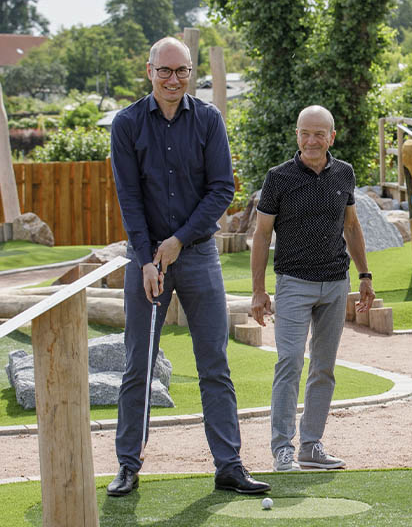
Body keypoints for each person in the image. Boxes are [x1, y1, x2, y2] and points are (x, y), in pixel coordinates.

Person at [108, 37, 270, 496]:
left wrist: (178, 241)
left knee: (214, 363)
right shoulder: (127, 124)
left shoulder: (209, 119)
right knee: (138, 363)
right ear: (150, 71)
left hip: (197, 254)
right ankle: (127, 464)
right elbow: (129, 198)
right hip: (145, 260)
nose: (174, 80)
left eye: (183, 71)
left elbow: (221, 189)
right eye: (165, 71)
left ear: (191, 73)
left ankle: (229, 465)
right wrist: (145, 258)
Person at [250, 105, 375, 472]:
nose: (312, 140)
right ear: (297, 135)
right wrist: (258, 291)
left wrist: (365, 276)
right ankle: (282, 449)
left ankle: (311, 445)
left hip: (336, 283)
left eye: (320, 133)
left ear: (331, 137)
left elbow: (351, 228)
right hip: (293, 284)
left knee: (324, 368)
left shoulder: (344, 174)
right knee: (289, 362)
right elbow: (261, 235)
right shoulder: (278, 178)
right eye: (305, 133)